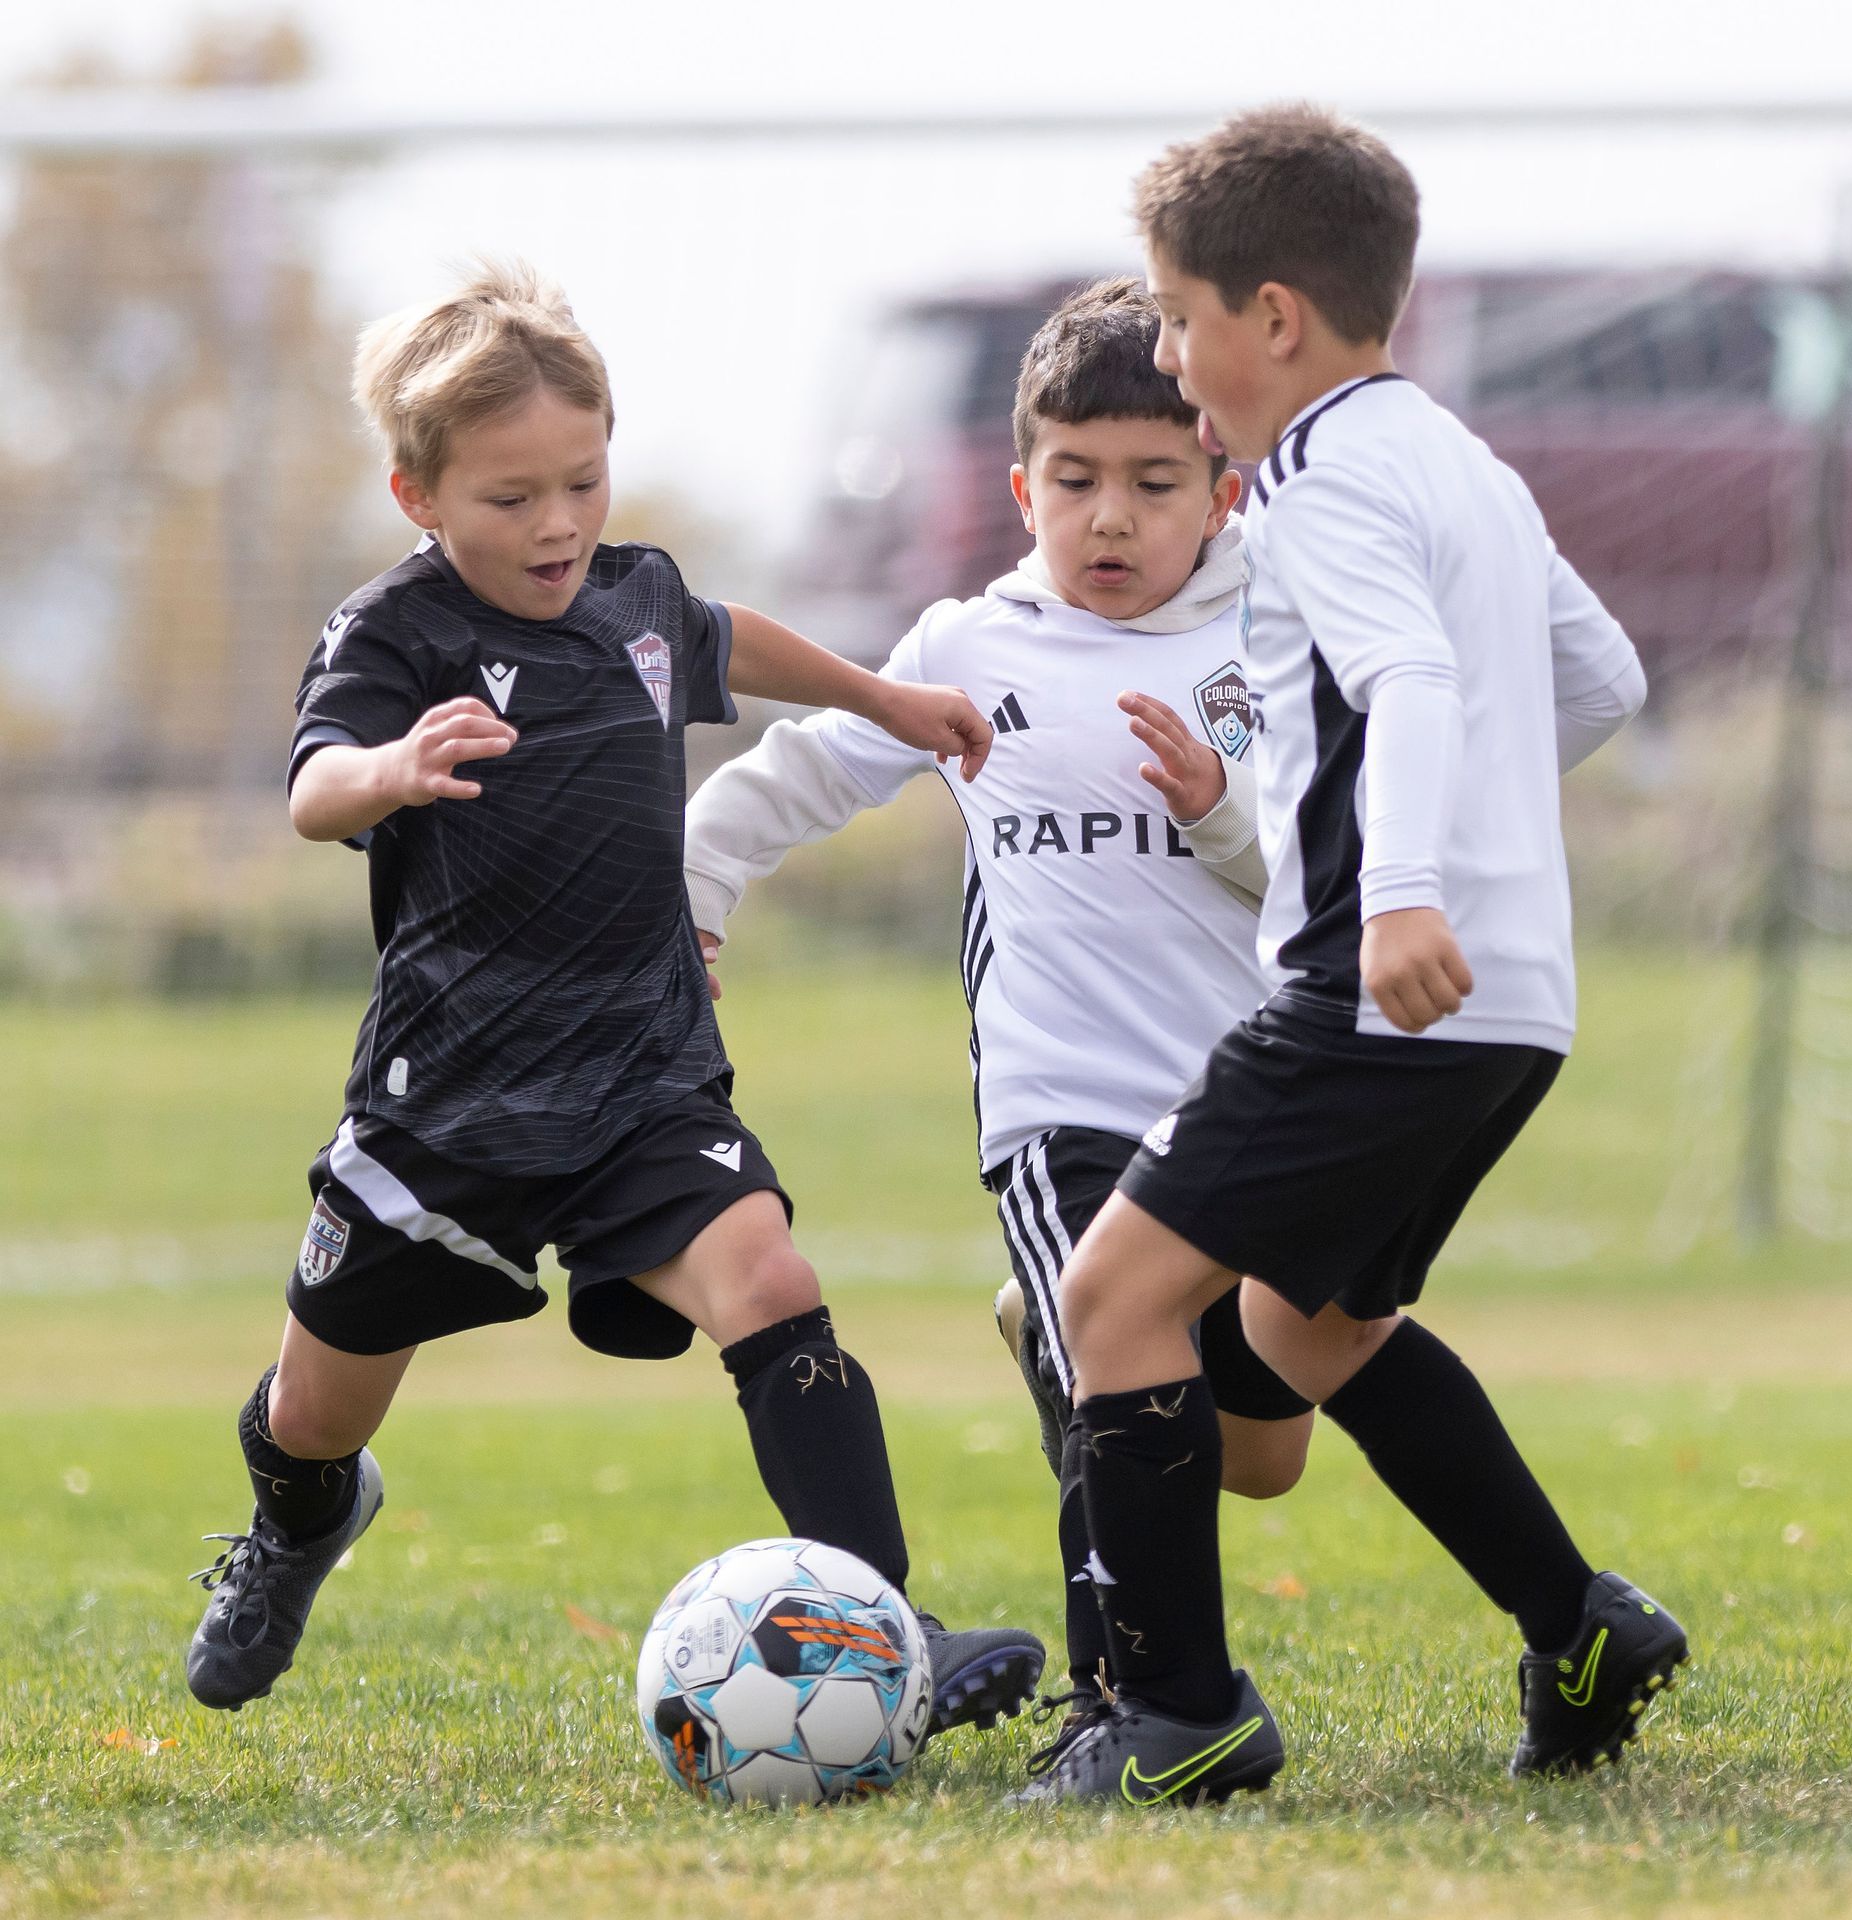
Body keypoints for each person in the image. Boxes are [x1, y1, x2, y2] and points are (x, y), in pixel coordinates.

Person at [184, 261, 1045, 1739]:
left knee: (772, 1284)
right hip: (446, 1108)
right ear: (418, 497)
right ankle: (298, 1523)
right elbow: (315, 789)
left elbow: (729, 636)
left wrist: (887, 699)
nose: (558, 523)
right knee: (314, 1416)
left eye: (582, 482)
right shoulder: (394, 635)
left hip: (644, 1079)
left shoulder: (636, 600)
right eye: (512, 497)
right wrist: (391, 769)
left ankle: (889, 1634)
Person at [1022, 106, 1686, 1806]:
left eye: (1182, 321)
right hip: (1511, 1007)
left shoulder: (1314, 476)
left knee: (1110, 1298)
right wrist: (1465, 858)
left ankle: (1176, 1718)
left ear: (1273, 318)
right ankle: (1583, 1627)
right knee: (1305, 1330)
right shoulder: (1462, 459)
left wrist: (1401, 893)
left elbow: (1409, 680)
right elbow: (1602, 679)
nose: (1174, 361)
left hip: (1373, 990)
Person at [682, 279, 1316, 1776]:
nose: (1111, 518)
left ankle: (1061, 1356)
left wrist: (1223, 814)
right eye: (1076, 481)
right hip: (1063, 1111)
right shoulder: (974, 647)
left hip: (1243, 1112)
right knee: (1120, 1375)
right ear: (1024, 490)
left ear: (1222, 492)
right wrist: (692, 895)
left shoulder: (1270, 642)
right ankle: (1127, 1702)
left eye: (1153, 482)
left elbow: (1328, 879)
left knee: (1258, 1455)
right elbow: (795, 774)